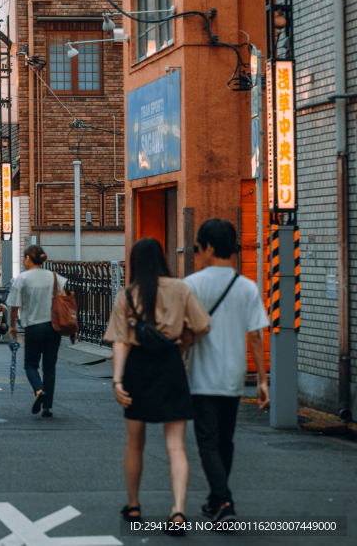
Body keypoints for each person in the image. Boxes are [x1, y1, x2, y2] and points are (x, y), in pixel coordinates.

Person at [105, 238, 211, 532]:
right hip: (170, 366)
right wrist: (183, 348)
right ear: (163, 259)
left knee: (135, 443)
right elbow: (201, 326)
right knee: (176, 446)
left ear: (136, 262)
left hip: (138, 368)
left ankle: (134, 506)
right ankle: (178, 512)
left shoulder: (128, 294)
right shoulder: (180, 289)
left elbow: (119, 341)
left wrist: (117, 380)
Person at [184, 219, 269, 522]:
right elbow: (256, 335)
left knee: (207, 442)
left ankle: (224, 501)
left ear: (207, 247)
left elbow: (183, 331)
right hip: (234, 377)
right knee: (225, 441)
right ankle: (215, 499)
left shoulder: (192, 284)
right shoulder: (247, 286)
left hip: (203, 376)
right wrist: (261, 379)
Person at [7, 245, 67, 418]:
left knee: (31, 364)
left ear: (27, 258)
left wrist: (13, 326)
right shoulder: (54, 277)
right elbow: (65, 298)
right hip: (54, 328)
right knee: (49, 367)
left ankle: (39, 390)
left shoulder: (22, 278)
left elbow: (14, 306)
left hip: (33, 327)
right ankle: (47, 408)